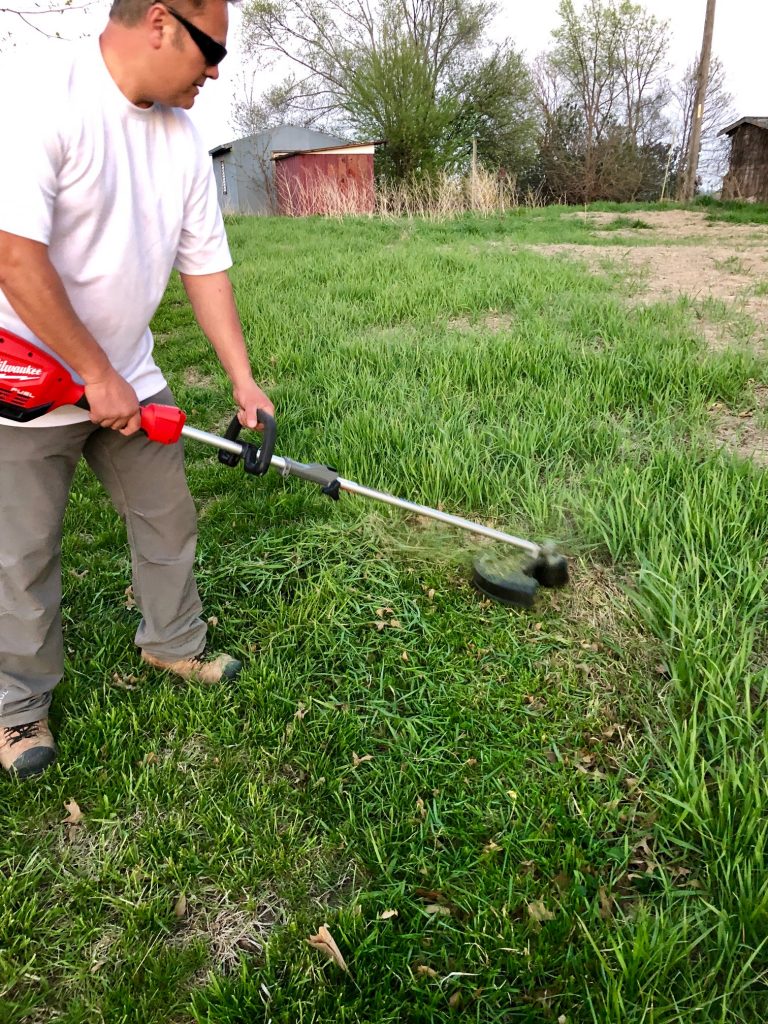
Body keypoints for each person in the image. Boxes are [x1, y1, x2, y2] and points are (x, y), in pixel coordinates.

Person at [0, 0, 274, 779]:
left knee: (167, 518)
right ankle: (17, 709)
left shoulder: (184, 140)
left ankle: (173, 645)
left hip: (127, 377)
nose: (217, 68)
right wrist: (91, 374)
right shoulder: (38, 97)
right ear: (159, 22)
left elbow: (204, 265)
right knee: (19, 554)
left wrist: (242, 378)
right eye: (210, 47)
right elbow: (14, 258)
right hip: (28, 381)